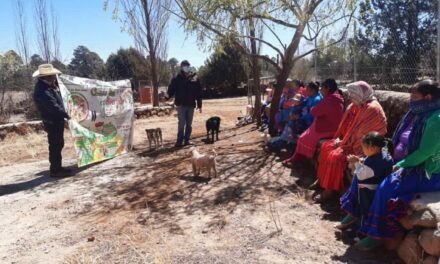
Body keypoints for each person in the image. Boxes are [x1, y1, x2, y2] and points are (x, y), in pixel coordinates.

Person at [355, 80, 440, 251]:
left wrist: (399, 165)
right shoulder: (417, 113)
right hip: (407, 163)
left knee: (386, 187)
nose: (411, 100)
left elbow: (425, 152)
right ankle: (359, 219)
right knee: (365, 174)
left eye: (414, 96)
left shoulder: (436, 118)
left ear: (428, 97)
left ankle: (376, 235)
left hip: (428, 172)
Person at [314, 81, 387, 203]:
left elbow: (362, 136)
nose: (350, 98)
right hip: (351, 140)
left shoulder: (371, 109)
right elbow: (349, 127)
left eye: (353, 95)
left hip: (366, 146)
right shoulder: (359, 104)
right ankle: (322, 180)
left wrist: (343, 143)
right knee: (326, 146)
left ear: (360, 95)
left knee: (335, 156)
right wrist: (341, 140)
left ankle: (329, 190)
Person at [337, 132, 394, 232]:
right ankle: (354, 221)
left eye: (364, 147)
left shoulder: (375, 162)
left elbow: (362, 175)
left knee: (365, 211)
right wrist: (360, 160)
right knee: (362, 209)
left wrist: (356, 162)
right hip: (372, 186)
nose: (363, 149)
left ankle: (361, 232)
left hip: (368, 191)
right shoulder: (383, 154)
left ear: (374, 148)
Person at [283, 79, 344, 165]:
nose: (321, 90)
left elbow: (314, 112)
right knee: (299, 129)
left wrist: (308, 111)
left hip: (327, 129)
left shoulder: (328, 100)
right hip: (330, 126)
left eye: (322, 88)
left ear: (328, 88)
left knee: (303, 137)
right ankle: (297, 155)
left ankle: (299, 157)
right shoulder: (336, 98)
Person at [33, 64, 71, 177]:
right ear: (48, 76)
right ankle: (55, 171)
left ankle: (57, 167)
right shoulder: (42, 90)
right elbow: (53, 106)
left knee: (58, 144)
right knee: (55, 145)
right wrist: (68, 115)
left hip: (56, 120)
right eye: (53, 75)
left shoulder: (49, 86)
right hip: (52, 121)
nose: (55, 77)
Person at [167, 61, 202, 147]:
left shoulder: (194, 77)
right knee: (181, 123)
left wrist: (200, 104)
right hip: (181, 104)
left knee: (189, 124)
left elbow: (198, 91)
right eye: (184, 66)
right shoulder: (177, 78)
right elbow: (171, 89)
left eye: (187, 66)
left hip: (191, 104)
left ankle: (187, 140)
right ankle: (179, 141)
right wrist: (166, 97)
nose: (186, 67)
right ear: (181, 67)